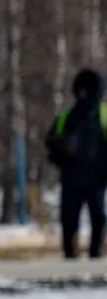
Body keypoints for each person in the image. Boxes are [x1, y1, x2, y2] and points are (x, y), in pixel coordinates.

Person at [46, 69, 107, 260]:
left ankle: (95, 254)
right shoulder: (67, 116)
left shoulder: (104, 116)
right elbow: (50, 140)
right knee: (69, 219)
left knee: (98, 218)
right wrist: (60, 154)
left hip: (97, 179)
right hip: (71, 179)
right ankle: (70, 254)